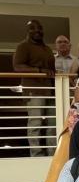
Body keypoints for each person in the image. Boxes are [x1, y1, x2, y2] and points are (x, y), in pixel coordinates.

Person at [13, 19, 55, 156]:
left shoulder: (47, 49)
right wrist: (39, 70)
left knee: (52, 124)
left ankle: (52, 153)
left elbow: (51, 70)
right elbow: (17, 67)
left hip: (50, 90)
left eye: (40, 28)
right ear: (28, 31)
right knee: (35, 123)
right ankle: (36, 155)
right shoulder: (23, 46)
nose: (37, 31)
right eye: (33, 28)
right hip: (33, 89)